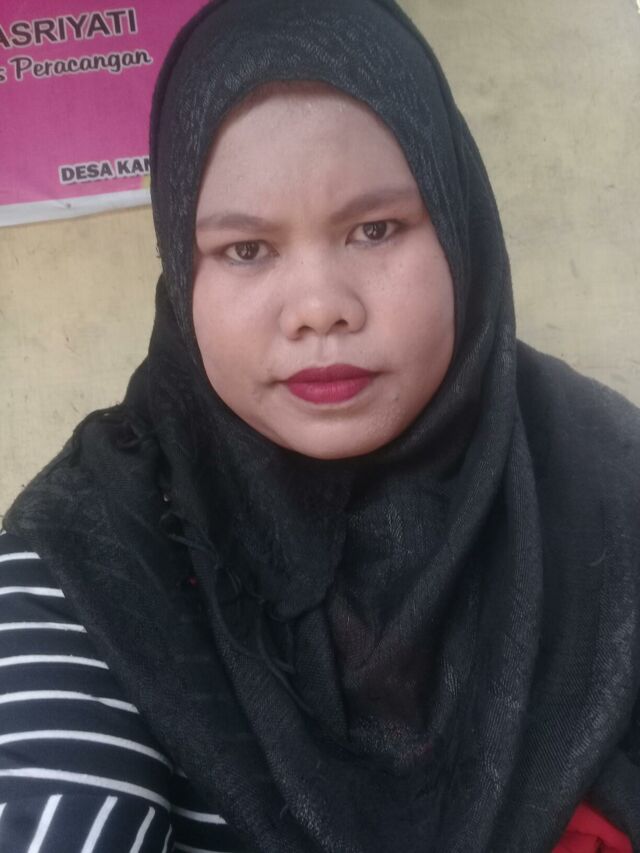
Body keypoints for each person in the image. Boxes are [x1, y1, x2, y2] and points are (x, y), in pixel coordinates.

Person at [1, 0, 639, 850]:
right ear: (181, 268)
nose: (318, 308)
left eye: (375, 229)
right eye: (246, 249)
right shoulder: (85, 564)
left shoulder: (608, 485)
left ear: (460, 227)